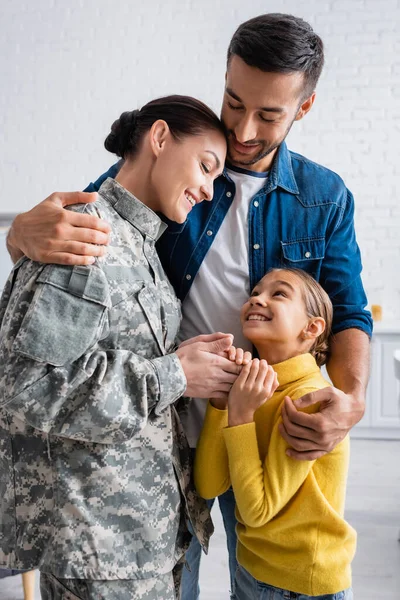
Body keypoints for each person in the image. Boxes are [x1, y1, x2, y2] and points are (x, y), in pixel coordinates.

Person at [5, 13, 372, 599]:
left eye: (269, 114)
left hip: (274, 433)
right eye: (234, 101)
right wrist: (18, 234)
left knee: (277, 581)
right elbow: (97, 214)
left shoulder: (323, 197)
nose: (244, 128)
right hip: (171, 442)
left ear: (302, 108)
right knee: (175, 583)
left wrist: (351, 400)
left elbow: (350, 311)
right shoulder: (181, 159)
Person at [0, 95, 241, 600]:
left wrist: (185, 364)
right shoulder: (88, 236)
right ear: (158, 138)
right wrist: (174, 374)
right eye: (205, 166)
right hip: (101, 552)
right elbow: (26, 387)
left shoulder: (140, 244)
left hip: (140, 544)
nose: (207, 188)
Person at [195, 267, 355, 600]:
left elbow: (258, 511)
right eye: (255, 292)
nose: (257, 298)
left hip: (298, 586)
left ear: (312, 328)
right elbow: (209, 486)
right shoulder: (253, 389)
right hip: (252, 570)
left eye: (278, 293)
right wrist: (221, 402)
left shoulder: (307, 399)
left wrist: (239, 414)